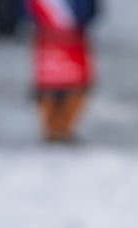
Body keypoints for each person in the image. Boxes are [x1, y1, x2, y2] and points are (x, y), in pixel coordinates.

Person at [25, 0, 99, 143]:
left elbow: (91, 12)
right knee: (50, 86)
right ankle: (51, 130)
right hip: (50, 38)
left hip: (71, 39)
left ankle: (65, 130)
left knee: (74, 84)